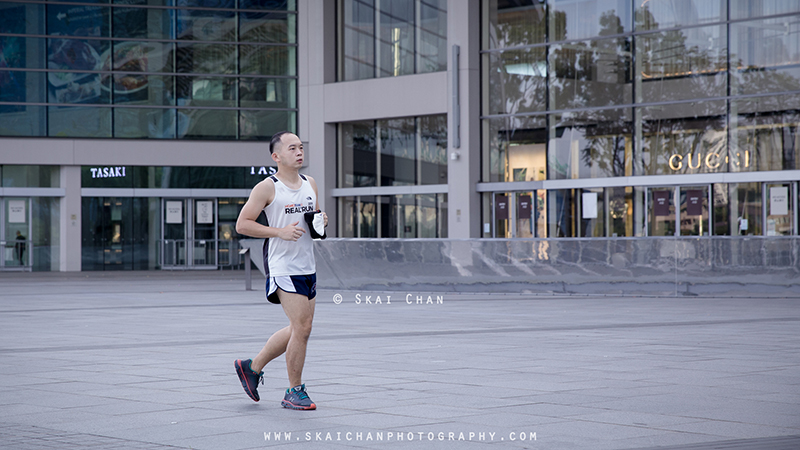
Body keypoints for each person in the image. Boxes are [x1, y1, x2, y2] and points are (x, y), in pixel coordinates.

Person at [234, 131, 327, 410]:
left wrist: (321, 221)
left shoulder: (310, 183)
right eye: (292, 148)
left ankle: (252, 367)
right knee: (302, 327)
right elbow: (243, 224)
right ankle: (293, 391)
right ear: (276, 156)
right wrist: (279, 232)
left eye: (300, 147)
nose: (299, 152)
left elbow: (314, 219)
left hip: (307, 264)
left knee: (300, 328)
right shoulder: (267, 187)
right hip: (283, 266)